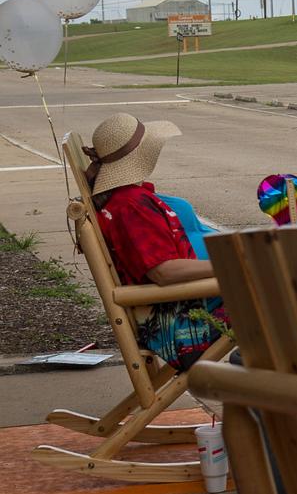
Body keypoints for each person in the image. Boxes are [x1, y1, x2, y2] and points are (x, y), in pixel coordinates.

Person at [86, 112, 226, 372]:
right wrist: (232, 265)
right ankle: (272, 378)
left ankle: (267, 371)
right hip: (180, 323)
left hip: (181, 305)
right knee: (281, 285)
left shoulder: (127, 199)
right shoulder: (131, 207)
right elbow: (163, 271)